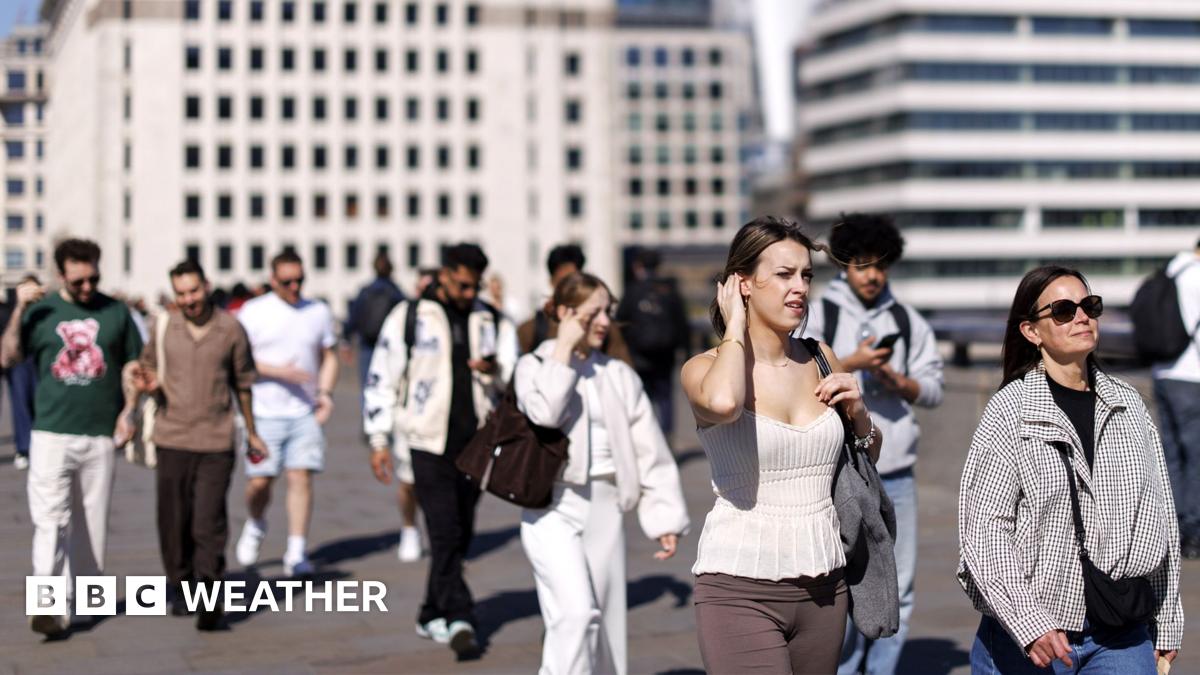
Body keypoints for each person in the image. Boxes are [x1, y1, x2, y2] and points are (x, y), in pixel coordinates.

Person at [681, 217, 882, 673]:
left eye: (806, 275)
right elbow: (725, 402)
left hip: (825, 587)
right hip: (738, 586)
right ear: (743, 283)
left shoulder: (820, 357)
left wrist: (859, 413)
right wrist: (734, 326)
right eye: (784, 275)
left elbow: (867, 454)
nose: (800, 288)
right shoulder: (703, 369)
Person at [958, 265, 1182, 673]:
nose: (1081, 317)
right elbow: (984, 529)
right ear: (1031, 331)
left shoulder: (1128, 404)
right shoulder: (1010, 411)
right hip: (1032, 636)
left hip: (1121, 630)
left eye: (1088, 306)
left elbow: (1160, 517)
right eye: (1062, 310)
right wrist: (1029, 623)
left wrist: (1167, 620)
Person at [515, 271, 690, 675]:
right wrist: (562, 348)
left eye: (607, 311)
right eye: (592, 312)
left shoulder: (617, 374)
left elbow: (650, 450)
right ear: (563, 312)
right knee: (575, 615)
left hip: (606, 508)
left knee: (605, 625)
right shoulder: (533, 366)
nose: (603, 321)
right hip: (551, 507)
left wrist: (663, 515)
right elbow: (546, 413)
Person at [802, 213, 944, 675]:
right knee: (837, 578)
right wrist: (851, 361)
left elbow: (934, 390)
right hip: (833, 469)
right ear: (845, 265)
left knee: (897, 582)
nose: (872, 275)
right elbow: (792, 374)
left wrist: (898, 381)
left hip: (895, 470)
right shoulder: (819, 312)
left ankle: (881, 670)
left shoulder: (909, 319)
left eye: (880, 265)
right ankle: (842, 667)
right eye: (862, 264)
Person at [364, 243, 518, 655]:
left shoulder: (490, 318)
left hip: (476, 444)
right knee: (444, 530)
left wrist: (495, 370)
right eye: (464, 285)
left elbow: (512, 372)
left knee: (461, 532)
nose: (470, 293)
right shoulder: (410, 316)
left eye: (475, 286)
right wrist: (378, 438)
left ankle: (430, 611)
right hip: (426, 441)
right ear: (446, 274)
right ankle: (461, 617)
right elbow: (382, 376)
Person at [1, 239, 144, 637]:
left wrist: (128, 411)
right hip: (50, 432)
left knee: (91, 525)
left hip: (100, 435)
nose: (87, 288)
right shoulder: (42, 311)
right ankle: (47, 607)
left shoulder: (115, 312)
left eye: (93, 278)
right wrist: (19, 310)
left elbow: (132, 363)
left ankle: (85, 598)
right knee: (50, 521)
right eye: (79, 280)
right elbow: (8, 356)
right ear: (61, 275)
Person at [131, 260, 268, 631]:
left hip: (216, 438)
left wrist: (252, 432)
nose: (189, 299)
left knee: (208, 519)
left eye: (194, 291)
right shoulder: (162, 326)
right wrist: (146, 383)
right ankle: (181, 584)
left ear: (206, 286)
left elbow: (243, 384)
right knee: (173, 520)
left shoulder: (230, 329)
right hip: (171, 436)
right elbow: (146, 367)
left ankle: (209, 595)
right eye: (181, 293)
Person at [233, 250, 339, 577]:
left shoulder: (318, 311)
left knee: (300, 476)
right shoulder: (253, 312)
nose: (295, 287)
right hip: (262, 412)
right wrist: (279, 372)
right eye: (287, 282)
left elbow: (330, 355)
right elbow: (239, 359)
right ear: (272, 279)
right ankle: (256, 522)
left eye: (299, 280)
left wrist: (324, 393)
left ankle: (296, 550)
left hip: (304, 411)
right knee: (260, 482)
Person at [346, 252, 419, 562]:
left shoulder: (365, 291)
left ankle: (373, 426)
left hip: (366, 344)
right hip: (388, 345)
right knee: (385, 383)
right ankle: (380, 429)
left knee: (371, 387)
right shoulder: (396, 293)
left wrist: (349, 339)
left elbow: (353, 317)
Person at [1152, 237, 1200, 559]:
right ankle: (1194, 531)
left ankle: (1175, 527)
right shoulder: (1196, 276)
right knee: (1196, 458)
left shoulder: (1168, 272)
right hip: (1191, 376)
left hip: (1163, 374)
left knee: (1172, 457)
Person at [517, 244, 632, 365]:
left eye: (574, 283)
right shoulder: (530, 329)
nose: (568, 289)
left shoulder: (604, 327)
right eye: (563, 282)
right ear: (551, 282)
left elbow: (623, 370)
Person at [618, 248, 690, 439]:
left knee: (643, 395)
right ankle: (667, 436)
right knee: (665, 396)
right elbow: (682, 323)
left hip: (639, 353)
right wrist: (688, 352)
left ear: (638, 267)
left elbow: (620, 320)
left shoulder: (633, 291)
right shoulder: (669, 290)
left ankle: (647, 436)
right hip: (665, 352)